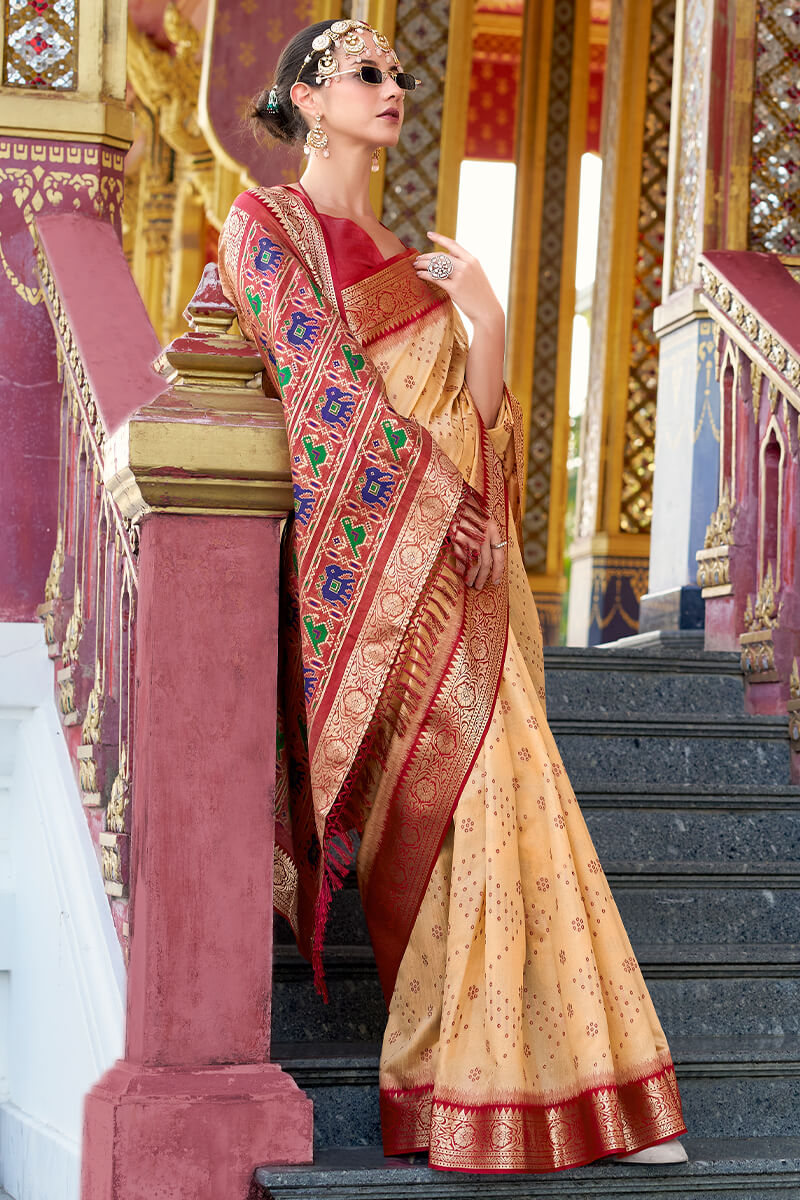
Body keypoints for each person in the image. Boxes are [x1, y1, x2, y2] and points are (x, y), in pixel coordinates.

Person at [217, 16, 688, 1174]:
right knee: (470, 804)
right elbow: (320, 394)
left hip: (452, 558)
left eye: (397, 73)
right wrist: (436, 503)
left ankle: (569, 1086)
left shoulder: (410, 247)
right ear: (308, 98)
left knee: (515, 790)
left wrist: (479, 313)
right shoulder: (265, 226)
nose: (391, 88)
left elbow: (477, 417)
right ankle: (467, 1081)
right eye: (365, 73)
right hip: (373, 574)